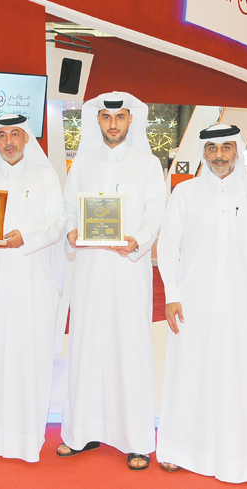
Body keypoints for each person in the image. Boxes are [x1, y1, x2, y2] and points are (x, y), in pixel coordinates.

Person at [155, 124, 247, 483]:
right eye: (212, 148)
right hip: (193, 304)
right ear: (204, 153)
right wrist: (172, 295)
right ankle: (179, 450)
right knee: (188, 375)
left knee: (243, 379)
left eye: (226, 147)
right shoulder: (185, 194)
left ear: (237, 150)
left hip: (245, 305)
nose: (219, 156)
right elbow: (168, 248)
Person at [58, 92, 165, 471]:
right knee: (87, 348)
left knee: (128, 350)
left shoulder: (148, 164)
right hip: (88, 271)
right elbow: (69, 209)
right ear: (97, 121)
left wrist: (137, 240)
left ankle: (135, 439)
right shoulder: (82, 163)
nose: (113, 124)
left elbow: (156, 213)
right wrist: (71, 230)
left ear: (130, 121)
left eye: (119, 117)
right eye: (106, 117)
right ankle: (80, 432)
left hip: (127, 271)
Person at [0, 114, 65, 462]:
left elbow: (57, 222)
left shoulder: (45, 175)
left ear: (26, 139)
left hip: (32, 278)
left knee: (27, 352)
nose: (9, 142)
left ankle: (24, 436)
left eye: (15, 134)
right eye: (2, 135)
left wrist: (25, 238)